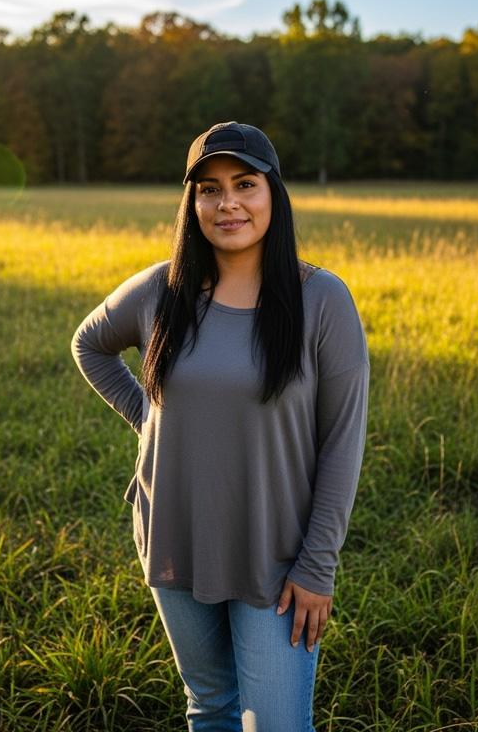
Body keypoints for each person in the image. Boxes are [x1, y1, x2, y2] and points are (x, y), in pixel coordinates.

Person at [71, 121, 369, 731]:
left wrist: (318, 566)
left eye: (244, 184)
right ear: (192, 203)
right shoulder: (161, 290)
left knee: (278, 725)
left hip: (278, 554)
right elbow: (90, 344)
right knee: (209, 710)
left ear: (273, 195)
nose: (227, 203)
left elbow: (343, 442)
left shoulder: (322, 300)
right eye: (208, 189)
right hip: (176, 532)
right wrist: (150, 418)